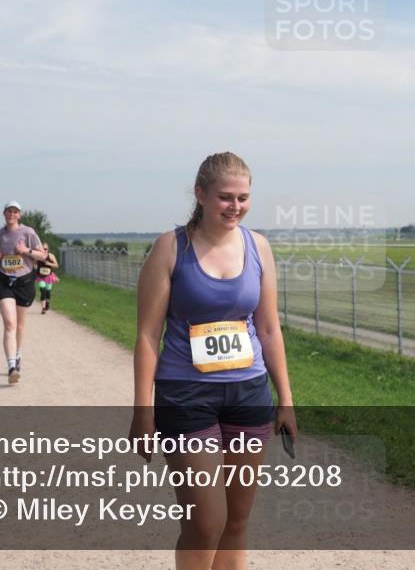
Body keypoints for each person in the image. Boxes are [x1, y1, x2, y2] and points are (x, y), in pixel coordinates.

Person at [130, 152, 296, 570]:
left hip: (248, 392)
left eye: (243, 197)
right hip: (185, 395)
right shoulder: (171, 247)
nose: (235, 206)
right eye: (225, 197)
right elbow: (148, 336)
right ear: (201, 194)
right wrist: (142, 411)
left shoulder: (258, 247)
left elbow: (269, 328)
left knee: (236, 522)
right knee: (206, 523)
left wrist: (286, 398)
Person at [0, 201, 46, 384]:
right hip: (4, 281)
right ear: (4, 213)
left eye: (15, 212)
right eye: (8, 211)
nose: (11, 214)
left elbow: (42, 255)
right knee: (9, 324)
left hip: (24, 282)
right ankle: (12, 367)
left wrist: (26, 251)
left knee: (20, 326)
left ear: (19, 215)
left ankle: (18, 354)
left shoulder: (28, 232)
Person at [34, 242, 60, 314]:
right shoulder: (38, 256)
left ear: (48, 249)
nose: (44, 250)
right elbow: (34, 264)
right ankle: (43, 308)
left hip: (49, 276)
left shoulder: (51, 256)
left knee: (48, 291)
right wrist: (35, 268)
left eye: (45, 249)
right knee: (43, 290)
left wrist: (49, 263)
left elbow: (56, 265)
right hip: (40, 276)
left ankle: (47, 302)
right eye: (42, 248)